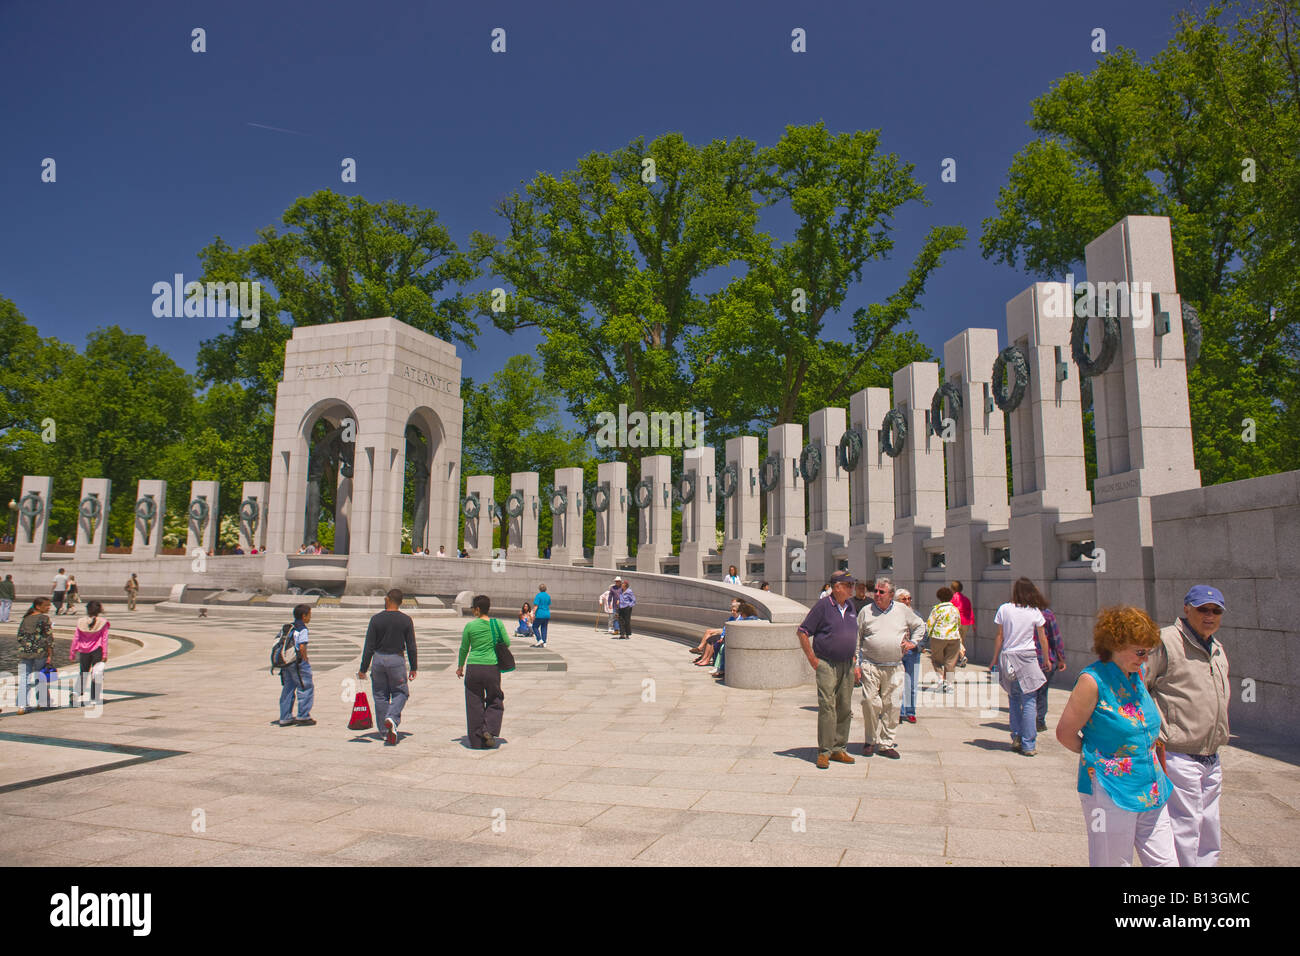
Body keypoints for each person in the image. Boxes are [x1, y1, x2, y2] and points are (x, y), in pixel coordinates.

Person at [1056, 606, 1175, 867]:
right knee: (1112, 862)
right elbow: (1065, 734)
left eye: (1148, 652)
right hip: (1111, 788)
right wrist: (1101, 757)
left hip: (1151, 785)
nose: (1144, 659)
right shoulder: (1092, 681)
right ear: (1115, 645)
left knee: (1166, 863)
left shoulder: (1137, 674)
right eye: (1139, 651)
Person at [1144, 585, 1231, 867]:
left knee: (1209, 826)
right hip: (1177, 752)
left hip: (1211, 754)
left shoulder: (1216, 647)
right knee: (1185, 827)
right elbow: (1140, 687)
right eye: (1202, 609)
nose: (1209, 615)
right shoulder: (1165, 641)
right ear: (1186, 609)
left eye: (1215, 610)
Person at [796, 570, 860, 769]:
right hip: (827, 664)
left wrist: (855, 659)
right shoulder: (823, 606)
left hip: (847, 664)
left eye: (852, 584)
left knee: (845, 707)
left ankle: (839, 748)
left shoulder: (850, 606)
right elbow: (803, 632)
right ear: (837, 586)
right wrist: (813, 660)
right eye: (848, 585)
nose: (852, 588)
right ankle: (824, 750)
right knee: (827, 706)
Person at [857, 577, 926, 758]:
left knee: (892, 705)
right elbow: (857, 638)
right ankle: (870, 740)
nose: (877, 595)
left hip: (894, 666)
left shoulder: (902, 610)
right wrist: (856, 663)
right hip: (870, 665)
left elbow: (920, 625)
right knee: (870, 702)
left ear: (891, 595)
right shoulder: (866, 611)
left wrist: (913, 642)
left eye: (881, 592)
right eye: (876, 591)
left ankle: (886, 743)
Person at [990, 577, 1051, 755]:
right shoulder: (1034, 611)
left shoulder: (1004, 609)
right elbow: (1042, 637)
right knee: (1030, 699)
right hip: (1027, 656)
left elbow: (999, 636)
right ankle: (1028, 744)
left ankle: (1016, 735)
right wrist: (1046, 658)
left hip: (1008, 656)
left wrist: (994, 658)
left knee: (1014, 698)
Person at [358, 589, 418, 746]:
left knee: (380, 695)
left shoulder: (376, 619)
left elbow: (369, 646)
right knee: (401, 692)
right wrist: (413, 667)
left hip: (378, 659)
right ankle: (391, 717)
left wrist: (363, 668)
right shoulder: (405, 620)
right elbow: (411, 645)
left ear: (388, 599)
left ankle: (385, 732)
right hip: (396, 659)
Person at [457, 593, 509, 749]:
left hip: (473, 667)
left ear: (478, 609)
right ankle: (488, 729)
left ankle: (476, 741)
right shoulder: (497, 624)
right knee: (495, 699)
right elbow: (506, 642)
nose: (473, 611)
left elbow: (464, 648)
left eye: (473, 608)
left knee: (474, 703)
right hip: (491, 667)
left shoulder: (470, 626)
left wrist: (460, 667)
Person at [1025, 585, 1067, 730]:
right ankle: (1040, 720)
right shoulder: (1047, 614)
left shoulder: (1022, 615)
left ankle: (1029, 720)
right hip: (1045, 659)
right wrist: (1061, 658)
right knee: (1042, 691)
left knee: (1029, 692)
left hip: (1027, 659)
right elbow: (1055, 638)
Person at [277, 604, 316, 727]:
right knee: (305, 686)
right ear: (304, 616)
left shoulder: (288, 627)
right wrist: (305, 659)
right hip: (297, 663)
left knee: (288, 688)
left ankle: (285, 717)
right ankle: (303, 716)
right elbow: (302, 646)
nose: (310, 617)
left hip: (286, 662)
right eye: (309, 615)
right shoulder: (302, 629)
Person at [15, 597, 54, 714]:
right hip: (40, 652)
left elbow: (19, 636)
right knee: (40, 677)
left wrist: (26, 645)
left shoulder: (26, 618)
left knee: (24, 679)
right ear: (38, 606)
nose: (49, 607)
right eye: (46, 605)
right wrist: (50, 654)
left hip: (24, 653)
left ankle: (22, 705)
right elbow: (49, 638)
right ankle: (43, 703)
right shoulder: (44, 618)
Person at [70, 600, 110, 706]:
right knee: (97, 674)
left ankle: (76, 692)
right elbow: (104, 639)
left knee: (83, 672)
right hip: (97, 650)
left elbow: (76, 638)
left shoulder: (81, 621)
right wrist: (105, 654)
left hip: (83, 651)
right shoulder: (103, 622)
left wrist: (72, 652)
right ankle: (94, 697)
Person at [925, 586, 963, 696]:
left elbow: (929, 624)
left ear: (939, 597)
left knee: (936, 659)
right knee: (951, 661)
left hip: (938, 637)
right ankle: (949, 684)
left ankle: (940, 679)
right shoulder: (955, 609)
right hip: (953, 637)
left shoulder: (936, 609)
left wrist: (928, 636)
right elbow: (959, 623)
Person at [894, 588, 922, 724]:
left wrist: (917, 645)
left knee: (911, 683)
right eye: (903, 599)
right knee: (896, 683)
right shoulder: (892, 615)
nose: (907, 601)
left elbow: (924, 632)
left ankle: (910, 711)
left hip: (912, 652)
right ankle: (899, 711)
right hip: (896, 652)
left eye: (909, 598)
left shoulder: (915, 614)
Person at [711, 601, 759, 678]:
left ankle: (723, 670)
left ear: (744, 612)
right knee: (721, 645)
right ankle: (721, 668)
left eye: (740, 613)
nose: (740, 615)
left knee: (724, 648)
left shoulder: (747, 620)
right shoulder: (755, 618)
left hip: (744, 643)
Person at [691, 598, 740, 665]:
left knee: (712, 636)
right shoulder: (732, 618)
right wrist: (722, 635)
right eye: (731, 609)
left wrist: (722, 636)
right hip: (725, 632)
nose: (732, 610)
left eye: (733, 609)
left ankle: (703, 654)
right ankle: (703, 657)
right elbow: (725, 628)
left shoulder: (740, 618)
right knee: (710, 636)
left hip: (730, 635)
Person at [950, 580, 972, 667]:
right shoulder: (966, 599)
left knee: (957, 641)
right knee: (961, 640)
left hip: (957, 622)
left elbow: (950, 611)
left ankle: (962, 656)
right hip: (966, 622)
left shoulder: (953, 599)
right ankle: (959, 658)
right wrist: (972, 623)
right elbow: (970, 611)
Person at [531, 584, 552, 648]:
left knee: (534, 627)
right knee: (544, 628)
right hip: (547, 614)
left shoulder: (538, 596)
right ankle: (544, 642)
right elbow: (548, 604)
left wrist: (533, 613)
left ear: (539, 589)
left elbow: (536, 606)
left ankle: (539, 639)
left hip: (540, 614)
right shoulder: (548, 596)